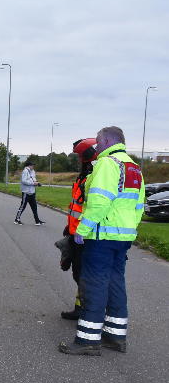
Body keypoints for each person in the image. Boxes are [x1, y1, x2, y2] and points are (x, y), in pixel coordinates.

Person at [59, 126, 145, 355]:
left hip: (101, 235)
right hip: (123, 236)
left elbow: (99, 201)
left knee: (94, 284)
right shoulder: (133, 167)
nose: (96, 147)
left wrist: (83, 230)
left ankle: (88, 341)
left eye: (98, 142)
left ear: (107, 140)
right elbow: (139, 206)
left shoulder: (107, 164)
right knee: (115, 282)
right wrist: (128, 230)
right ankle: (115, 337)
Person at [59, 138, 98, 320]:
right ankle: (79, 308)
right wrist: (70, 226)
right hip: (76, 232)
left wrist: (81, 229)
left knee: (84, 275)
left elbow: (93, 208)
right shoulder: (83, 176)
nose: (77, 161)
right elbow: (77, 206)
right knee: (77, 273)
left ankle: (89, 311)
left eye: (79, 157)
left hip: (86, 235)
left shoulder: (94, 177)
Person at [14, 161, 45, 225]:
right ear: (28, 165)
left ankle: (37, 221)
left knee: (34, 207)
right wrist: (33, 183)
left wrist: (37, 183)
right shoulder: (25, 171)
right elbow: (24, 181)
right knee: (22, 206)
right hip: (26, 192)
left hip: (32, 192)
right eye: (32, 165)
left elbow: (33, 179)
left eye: (33, 165)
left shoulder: (33, 171)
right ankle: (17, 219)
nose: (33, 166)